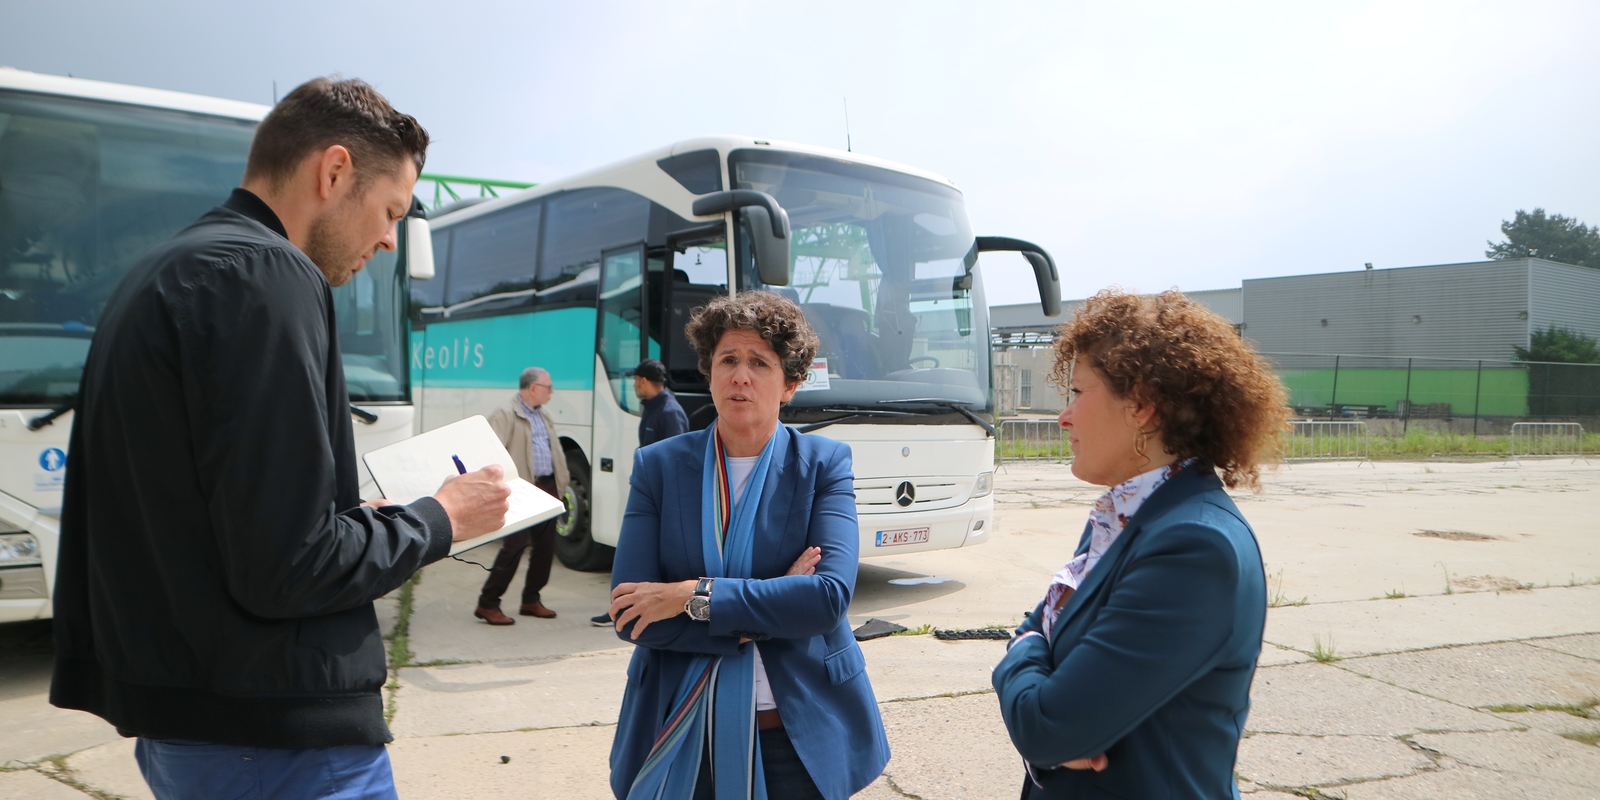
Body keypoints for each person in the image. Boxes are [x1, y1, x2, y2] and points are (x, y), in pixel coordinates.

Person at [50, 78, 512, 800]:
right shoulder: (267, 275)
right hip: (275, 742)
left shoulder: (163, 272)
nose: (390, 239)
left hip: (192, 724)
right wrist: (441, 517)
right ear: (333, 172)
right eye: (390, 210)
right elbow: (291, 564)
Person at [991, 289, 1289, 799]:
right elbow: (1037, 625)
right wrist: (1030, 650)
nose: (1064, 418)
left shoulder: (1195, 546)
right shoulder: (1128, 514)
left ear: (1143, 406)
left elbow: (1046, 726)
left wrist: (1020, 660)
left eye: (1079, 393)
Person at [607, 292, 889, 800]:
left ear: (790, 384)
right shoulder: (659, 467)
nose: (741, 376)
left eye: (760, 363)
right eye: (728, 360)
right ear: (709, 372)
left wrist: (690, 595)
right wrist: (773, 600)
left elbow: (826, 600)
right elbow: (630, 612)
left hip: (796, 732)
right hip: (680, 722)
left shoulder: (824, 464)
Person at [591, 359, 691, 628]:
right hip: (650, 496)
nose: (634, 387)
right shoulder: (652, 409)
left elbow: (677, 463)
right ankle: (621, 608)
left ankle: (633, 610)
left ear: (644, 382)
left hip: (662, 502)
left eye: (636, 381)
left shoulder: (669, 413)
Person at [473, 366, 572, 624]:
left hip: (547, 488)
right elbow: (490, 456)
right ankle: (488, 603)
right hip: (520, 490)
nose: (552, 391)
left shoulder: (544, 415)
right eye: (548, 387)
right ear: (532, 388)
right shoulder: (505, 414)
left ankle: (531, 599)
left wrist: (561, 485)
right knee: (514, 547)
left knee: (545, 546)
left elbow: (555, 452)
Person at [633, 358, 690, 447]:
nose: (634, 385)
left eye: (636, 380)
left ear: (643, 381)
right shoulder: (651, 406)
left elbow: (675, 454)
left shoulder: (671, 413)